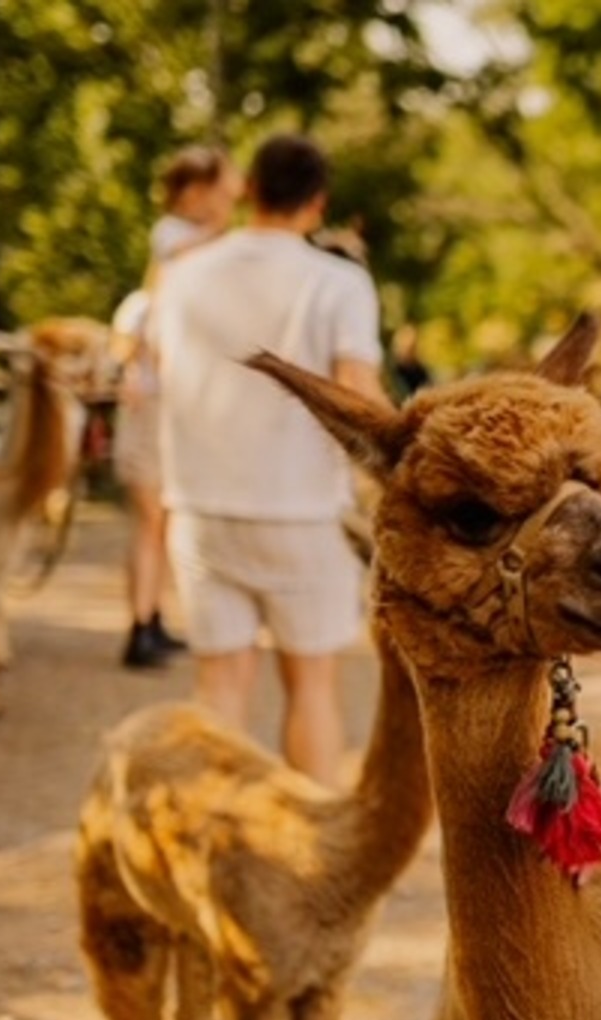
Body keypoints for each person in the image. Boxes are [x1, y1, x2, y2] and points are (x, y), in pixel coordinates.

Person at [149, 133, 387, 783]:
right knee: (311, 684)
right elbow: (357, 396)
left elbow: (163, 371)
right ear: (319, 203)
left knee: (219, 686)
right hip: (301, 511)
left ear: (248, 189)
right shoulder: (339, 282)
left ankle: (214, 841)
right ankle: (312, 848)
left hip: (200, 505)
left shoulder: (183, 275)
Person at [111, 145, 242, 669]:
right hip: (151, 406)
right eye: (215, 193)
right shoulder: (173, 238)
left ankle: (151, 619)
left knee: (161, 521)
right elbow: (187, 258)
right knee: (151, 520)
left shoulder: (186, 257)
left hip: (169, 405)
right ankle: (140, 626)